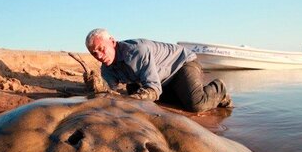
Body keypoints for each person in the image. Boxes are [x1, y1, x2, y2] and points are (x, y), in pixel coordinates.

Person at [85, 28, 233, 112]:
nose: (98, 55)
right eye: (94, 53)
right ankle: (180, 91)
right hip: (159, 76)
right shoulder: (106, 67)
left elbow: (153, 89)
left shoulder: (137, 51)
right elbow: (110, 93)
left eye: (101, 49)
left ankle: (219, 89)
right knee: (143, 97)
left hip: (181, 64)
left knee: (196, 104)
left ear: (112, 42)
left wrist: (130, 100)